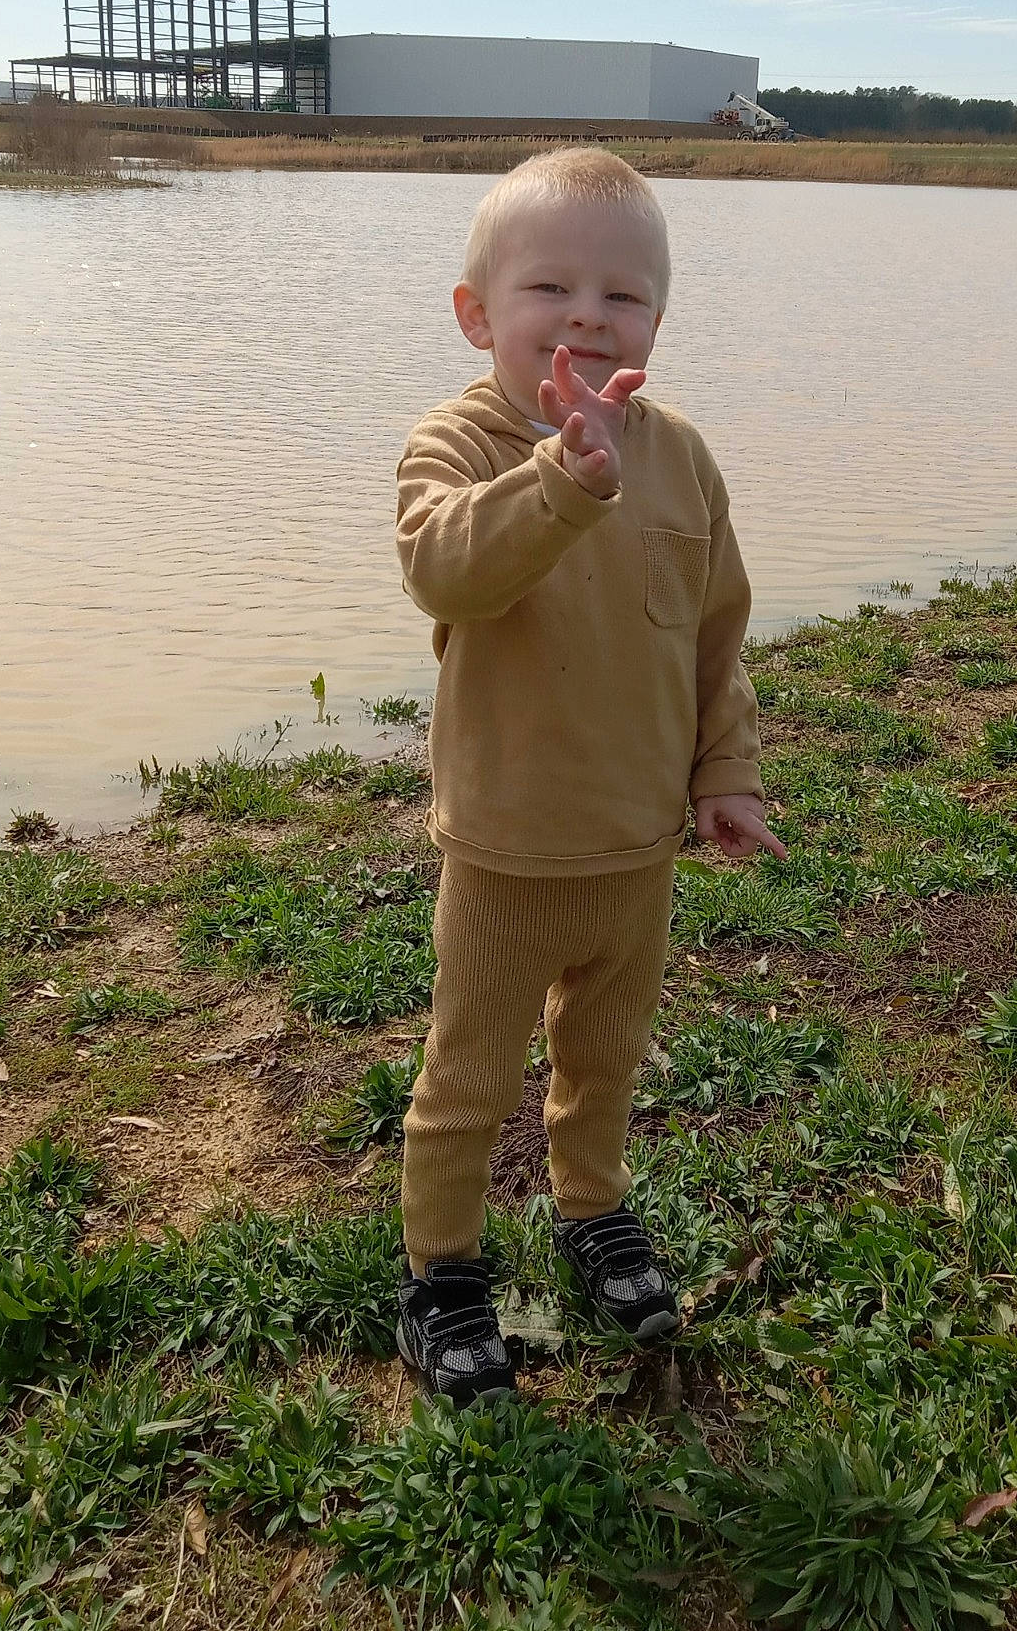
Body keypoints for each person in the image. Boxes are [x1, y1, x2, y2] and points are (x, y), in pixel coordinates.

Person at [393, 147, 786, 1405]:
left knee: (605, 1059)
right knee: (467, 1078)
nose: (584, 314)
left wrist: (726, 771)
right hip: (508, 846)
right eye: (547, 287)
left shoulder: (682, 456)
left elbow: (716, 628)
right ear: (477, 312)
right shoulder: (457, 441)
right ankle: (441, 1272)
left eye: (621, 295)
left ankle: (593, 1211)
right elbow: (447, 571)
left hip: (637, 845)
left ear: (656, 322)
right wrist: (564, 476)